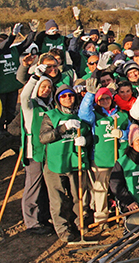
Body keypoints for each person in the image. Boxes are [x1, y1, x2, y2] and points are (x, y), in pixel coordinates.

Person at [39, 85, 92, 242]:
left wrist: (85, 141)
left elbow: (89, 135)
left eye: (71, 95)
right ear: (58, 99)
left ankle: (78, 223)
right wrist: (62, 128)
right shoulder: (51, 116)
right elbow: (44, 138)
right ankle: (63, 229)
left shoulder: (80, 115)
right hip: (55, 163)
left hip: (76, 161)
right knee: (58, 199)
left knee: (79, 195)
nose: (68, 98)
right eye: (64, 96)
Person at [78, 81, 131, 224]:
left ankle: (123, 213)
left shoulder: (121, 115)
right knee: (100, 187)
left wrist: (123, 134)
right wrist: (90, 94)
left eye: (107, 98)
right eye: (101, 99)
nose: (105, 101)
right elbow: (82, 113)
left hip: (119, 157)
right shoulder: (94, 116)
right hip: (101, 158)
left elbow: (132, 132)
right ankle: (101, 218)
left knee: (121, 185)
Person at [18, 63, 53, 235]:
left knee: (46, 187)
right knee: (33, 186)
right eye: (43, 87)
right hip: (34, 154)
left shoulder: (50, 106)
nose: (46, 90)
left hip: (49, 153)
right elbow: (24, 96)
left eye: (48, 87)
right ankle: (31, 222)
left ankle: (44, 217)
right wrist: (35, 78)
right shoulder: (30, 106)